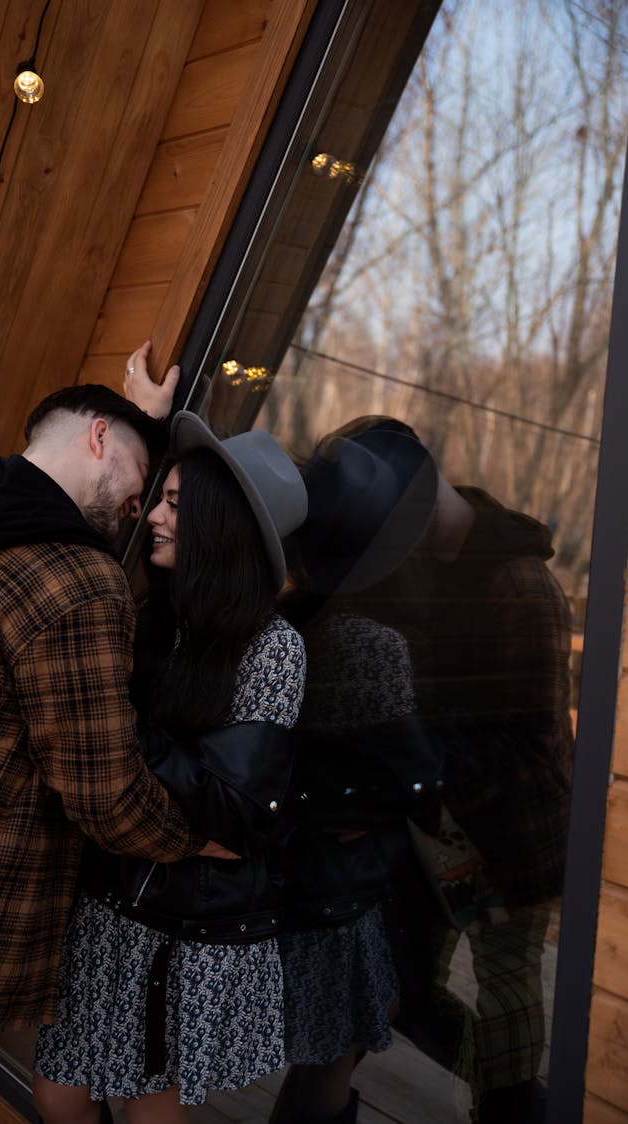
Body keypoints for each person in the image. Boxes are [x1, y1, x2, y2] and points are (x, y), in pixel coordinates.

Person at [0, 349, 228, 1124]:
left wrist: (146, 427)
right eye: (143, 486)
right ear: (99, 438)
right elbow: (105, 795)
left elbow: (53, 499)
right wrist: (193, 835)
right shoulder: (74, 585)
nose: (141, 511)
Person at [32, 411, 308, 1124]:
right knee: (61, 1094)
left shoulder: (270, 648)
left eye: (175, 504)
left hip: (183, 923)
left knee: (143, 1104)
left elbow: (236, 811)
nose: (151, 513)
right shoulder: (156, 614)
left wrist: (122, 732)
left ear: (221, 526)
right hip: (110, 899)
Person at [324, 417, 574, 1124]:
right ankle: (504, 1091)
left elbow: (529, 749)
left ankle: (510, 1105)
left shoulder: (521, 587)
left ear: (424, 498)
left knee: (507, 995)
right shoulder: (418, 564)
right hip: (427, 828)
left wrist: (407, 761)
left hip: (509, 836)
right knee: (400, 987)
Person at [273, 430, 444, 1124]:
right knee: (329, 1063)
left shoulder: (282, 620)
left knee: (321, 1056)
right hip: (342, 895)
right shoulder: (375, 646)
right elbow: (419, 781)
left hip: (289, 872)